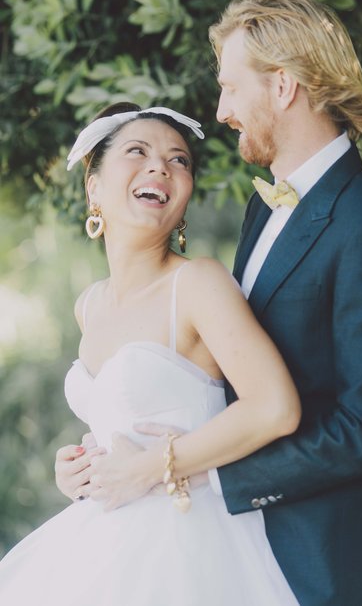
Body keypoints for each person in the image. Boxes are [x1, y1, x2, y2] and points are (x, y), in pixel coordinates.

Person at [55, 0, 362, 605]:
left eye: (231, 87)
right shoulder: (262, 208)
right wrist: (103, 460)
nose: (221, 111)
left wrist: (185, 470)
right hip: (211, 552)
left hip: (321, 566)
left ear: (283, 87)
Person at [0, 103, 302, 605]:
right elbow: (124, 421)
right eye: (137, 151)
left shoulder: (198, 282)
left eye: (179, 160)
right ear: (93, 187)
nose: (161, 167)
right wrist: (80, 468)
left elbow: (275, 407)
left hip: (189, 538)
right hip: (102, 543)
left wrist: (151, 466)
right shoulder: (89, 306)